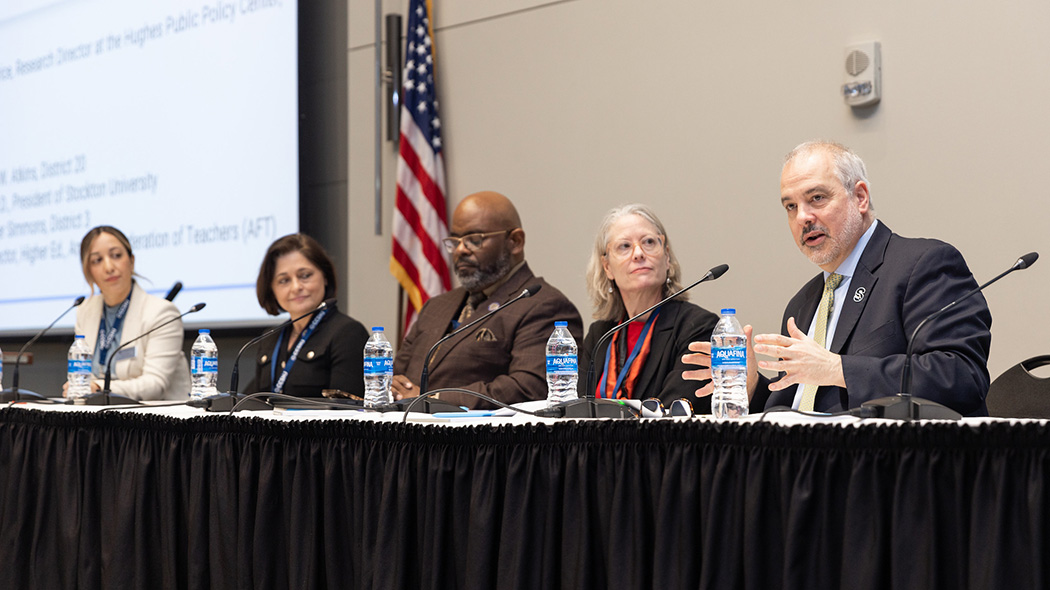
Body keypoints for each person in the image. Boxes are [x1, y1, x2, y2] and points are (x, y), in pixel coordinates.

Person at [684, 140, 992, 416]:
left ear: (860, 197)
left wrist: (837, 369)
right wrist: (752, 387)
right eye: (790, 206)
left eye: (816, 198)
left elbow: (961, 377)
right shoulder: (802, 304)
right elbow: (799, 407)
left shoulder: (922, 264)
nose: (802, 217)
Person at [392, 191, 583, 409]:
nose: (461, 250)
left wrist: (433, 400)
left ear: (515, 241)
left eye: (474, 240)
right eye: (455, 241)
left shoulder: (545, 306)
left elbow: (530, 388)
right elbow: (398, 373)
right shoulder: (437, 306)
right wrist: (393, 387)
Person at [578, 204, 720, 411]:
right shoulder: (599, 336)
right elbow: (577, 411)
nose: (638, 254)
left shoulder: (698, 327)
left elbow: (673, 410)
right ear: (607, 267)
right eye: (624, 246)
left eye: (649, 242)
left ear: (667, 257)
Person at [69, 226, 191, 400]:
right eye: (97, 260)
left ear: (131, 261)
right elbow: (81, 375)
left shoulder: (162, 313)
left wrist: (98, 387)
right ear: (88, 271)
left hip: (155, 421)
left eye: (116, 255)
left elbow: (155, 384)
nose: (109, 267)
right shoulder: (84, 311)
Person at [246, 234, 369, 398]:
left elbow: (347, 413)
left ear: (325, 277)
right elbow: (251, 403)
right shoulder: (270, 338)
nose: (296, 287)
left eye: (305, 276)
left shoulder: (348, 334)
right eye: (284, 280)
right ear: (272, 290)